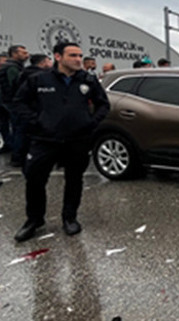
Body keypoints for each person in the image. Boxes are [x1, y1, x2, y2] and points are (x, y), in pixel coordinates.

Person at [12, 42, 110, 242]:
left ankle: (70, 217)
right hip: (45, 139)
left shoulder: (88, 80)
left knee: (74, 180)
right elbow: (19, 103)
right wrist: (36, 122)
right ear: (58, 57)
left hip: (77, 140)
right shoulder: (39, 79)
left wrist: (91, 123)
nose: (78, 59)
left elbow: (103, 104)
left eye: (79, 55)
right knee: (35, 180)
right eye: (73, 55)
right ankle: (34, 220)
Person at [15, 54, 53, 166]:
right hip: (37, 110)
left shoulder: (22, 73)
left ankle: (18, 158)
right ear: (43, 63)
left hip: (26, 111)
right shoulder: (41, 76)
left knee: (21, 133)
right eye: (49, 60)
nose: (51, 63)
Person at [0, 44, 30, 166]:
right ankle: (17, 156)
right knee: (19, 129)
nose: (26, 54)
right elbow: (16, 85)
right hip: (11, 102)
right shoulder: (13, 68)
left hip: (4, 101)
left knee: (6, 126)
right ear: (14, 54)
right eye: (23, 52)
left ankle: (10, 146)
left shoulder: (8, 67)